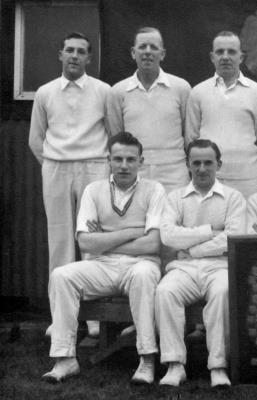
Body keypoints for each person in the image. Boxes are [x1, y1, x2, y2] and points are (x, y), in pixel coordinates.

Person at [42, 132, 166, 384]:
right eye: (117, 158)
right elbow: (85, 241)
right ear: (108, 160)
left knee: (143, 275)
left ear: (141, 161)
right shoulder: (93, 190)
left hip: (141, 265)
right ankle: (65, 359)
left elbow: (153, 244)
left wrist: (106, 240)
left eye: (130, 159)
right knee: (61, 275)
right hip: (102, 266)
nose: (124, 165)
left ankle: (146, 360)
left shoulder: (154, 190)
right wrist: (132, 232)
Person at [29, 31, 111, 338]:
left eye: (81, 52)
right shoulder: (45, 92)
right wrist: (54, 164)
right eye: (69, 51)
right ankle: (62, 319)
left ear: (89, 58)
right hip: (56, 168)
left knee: (93, 240)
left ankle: (95, 319)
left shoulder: (103, 91)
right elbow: (36, 139)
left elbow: (113, 132)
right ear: (60, 55)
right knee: (61, 242)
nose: (74, 56)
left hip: (94, 167)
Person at [155, 139, 246, 387]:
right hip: (183, 268)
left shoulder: (233, 197)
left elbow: (233, 238)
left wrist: (191, 246)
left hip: (220, 267)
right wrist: (209, 231)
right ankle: (174, 365)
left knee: (223, 292)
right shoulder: (175, 198)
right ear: (188, 164)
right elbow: (168, 236)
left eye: (208, 162)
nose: (202, 168)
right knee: (165, 291)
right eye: (196, 163)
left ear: (219, 164)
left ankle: (218, 366)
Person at [185, 31, 257, 199]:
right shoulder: (198, 92)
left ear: (241, 57)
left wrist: (249, 168)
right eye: (220, 52)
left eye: (231, 52)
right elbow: (191, 138)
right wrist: (204, 166)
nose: (225, 57)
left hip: (246, 177)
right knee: (208, 223)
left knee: (245, 223)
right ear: (212, 57)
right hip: (207, 176)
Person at [108, 27, 191, 193]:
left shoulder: (181, 88)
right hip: (135, 171)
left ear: (163, 53)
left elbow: (188, 133)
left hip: (175, 172)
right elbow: (116, 135)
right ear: (133, 52)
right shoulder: (118, 91)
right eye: (142, 47)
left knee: (173, 218)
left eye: (153, 47)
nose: (147, 52)